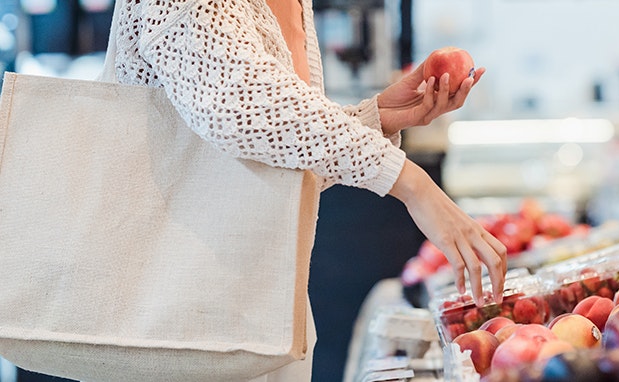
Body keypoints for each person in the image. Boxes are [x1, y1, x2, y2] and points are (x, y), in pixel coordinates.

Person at [112, 0, 506, 379]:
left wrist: (377, 118)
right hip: (177, 313)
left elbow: (278, 152)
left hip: (267, 311)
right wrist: (409, 181)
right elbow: (236, 103)